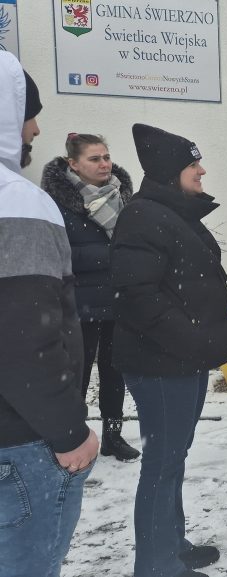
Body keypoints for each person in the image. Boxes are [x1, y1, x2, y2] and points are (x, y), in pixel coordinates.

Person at [111, 123, 227, 577]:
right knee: (162, 462)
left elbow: (187, 286)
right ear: (172, 171)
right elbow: (139, 299)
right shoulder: (143, 216)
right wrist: (198, 339)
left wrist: (217, 334)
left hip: (183, 362)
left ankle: (171, 543)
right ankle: (155, 564)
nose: (202, 170)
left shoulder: (174, 212)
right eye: (194, 164)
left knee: (174, 457)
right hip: (160, 365)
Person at [0, 55, 99, 577]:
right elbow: (22, 340)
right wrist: (68, 433)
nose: (36, 126)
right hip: (20, 440)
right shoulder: (19, 203)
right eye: (26, 111)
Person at [41, 133, 140, 462]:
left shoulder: (122, 197)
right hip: (77, 305)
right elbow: (57, 256)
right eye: (94, 158)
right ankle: (73, 439)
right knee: (76, 376)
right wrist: (108, 257)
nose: (104, 164)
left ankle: (113, 436)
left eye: (106, 157)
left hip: (118, 301)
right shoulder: (56, 204)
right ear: (73, 163)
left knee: (115, 373)